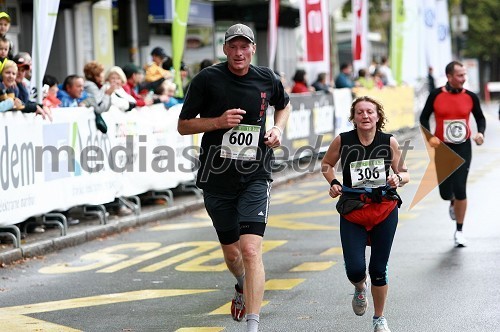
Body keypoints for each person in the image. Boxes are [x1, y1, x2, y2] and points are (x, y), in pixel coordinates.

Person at [177, 23, 291, 332]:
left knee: (251, 249)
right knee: (233, 253)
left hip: (255, 173)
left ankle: (253, 325)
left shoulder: (267, 78)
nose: (239, 52)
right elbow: (183, 125)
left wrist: (277, 128)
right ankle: (241, 284)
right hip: (216, 177)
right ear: (225, 49)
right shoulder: (207, 79)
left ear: (253, 49)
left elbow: (284, 104)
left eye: (245, 46)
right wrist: (217, 122)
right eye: (233, 46)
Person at [321, 96, 409, 332]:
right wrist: (335, 182)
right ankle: (360, 288)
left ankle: (379, 318)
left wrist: (397, 178)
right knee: (355, 269)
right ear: (354, 117)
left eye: (370, 112)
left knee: (379, 269)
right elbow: (326, 165)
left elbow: (405, 173)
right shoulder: (343, 140)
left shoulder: (389, 141)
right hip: (353, 210)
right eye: (360, 112)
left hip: (383, 209)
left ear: (378, 116)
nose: (365, 116)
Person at [420, 60, 486, 247]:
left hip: (463, 146)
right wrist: (429, 137)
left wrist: (480, 133)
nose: (464, 78)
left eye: (465, 75)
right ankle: (451, 201)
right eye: (460, 75)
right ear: (449, 77)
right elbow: (424, 117)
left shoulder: (471, 97)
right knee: (445, 192)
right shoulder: (436, 95)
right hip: (442, 148)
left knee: (460, 188)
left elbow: (480, 117)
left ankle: (459, 231)